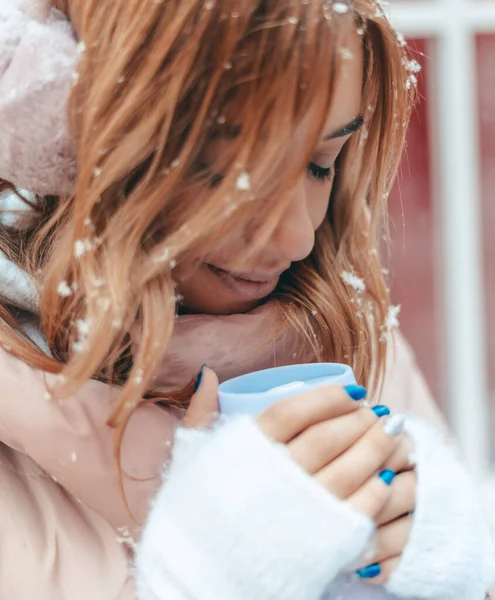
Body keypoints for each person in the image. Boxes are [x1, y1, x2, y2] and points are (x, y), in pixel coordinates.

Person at [0, 0, 493, 598]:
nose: (297, 237)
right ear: (75, 139)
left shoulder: (343, 326)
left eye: (319, 165)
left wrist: (448, 563)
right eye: (231, 174)